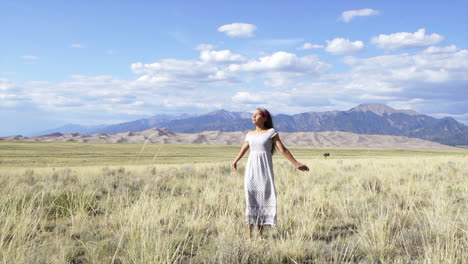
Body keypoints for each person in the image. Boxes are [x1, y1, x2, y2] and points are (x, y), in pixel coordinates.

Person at [232, 107, 309, 240]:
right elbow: (243, 149)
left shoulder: (271, 132)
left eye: (257, 115)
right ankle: (248, 235)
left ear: (265, 118)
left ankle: (261, 234)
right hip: (251, 171)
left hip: (264, 171)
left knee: (263, 199)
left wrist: (296, 164)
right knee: (251, 199)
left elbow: (282, 149)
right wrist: (235, 161)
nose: (253, 117)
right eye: (253, 115)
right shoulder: (249, 134)